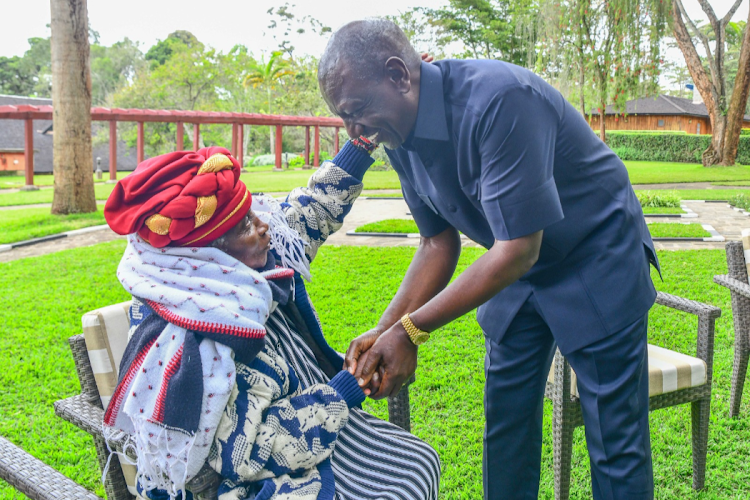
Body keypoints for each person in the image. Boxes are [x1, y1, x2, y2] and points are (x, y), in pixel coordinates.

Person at [318, 19, 660, 500]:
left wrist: (412, 331)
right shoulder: (395, 135)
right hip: (516, 267)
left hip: (595, 256)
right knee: (506, 424)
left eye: (357, 111)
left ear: (399, 76)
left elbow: (520, 247)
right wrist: (388, 326)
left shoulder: (500, 101)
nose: (354, 131)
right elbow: (437, 242)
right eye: (343, 117)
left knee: (614, 441)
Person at [102, 140, 440, 500]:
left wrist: (360, 143)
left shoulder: (240, 273)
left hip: (328, 426)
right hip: (283, 470)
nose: (266, 226)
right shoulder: (203, 348)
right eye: (245, 224)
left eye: (252, 212)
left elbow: (313, 210)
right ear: (207, 254)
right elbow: (249, 450)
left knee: (421, 461)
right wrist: (343, 389)